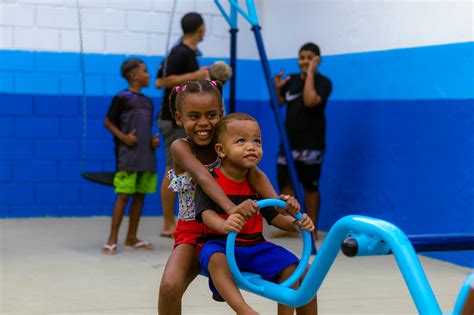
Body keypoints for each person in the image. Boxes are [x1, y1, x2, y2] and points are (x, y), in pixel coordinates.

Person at [158, 79, 295, 314]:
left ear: (221, 114)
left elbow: (256, 175)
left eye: (211, 115)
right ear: (180, 119)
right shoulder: (181, 147)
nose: (203, 123)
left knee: (300, 276)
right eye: (193, 116)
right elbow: (203, 177)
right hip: (193, 233)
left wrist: (282, 207)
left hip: (231, 233)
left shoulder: (230, 144)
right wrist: (232, 208)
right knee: (170, 286)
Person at [196, 113, 317, 315]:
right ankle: (245, 311)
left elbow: (276, 215)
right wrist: (225, 225)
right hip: (222, 245)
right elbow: (206, 214)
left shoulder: (257, 179)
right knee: (215, 258)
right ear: (221, 150)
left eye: (257, 141)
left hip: (255, 246)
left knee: (297, 269)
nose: (251, 146)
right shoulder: (211, 181)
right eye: (241, 141)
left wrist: (296, 223)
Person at [155, 12, 210, 238]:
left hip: (181, 118)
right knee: (173, 169)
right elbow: (161, 81)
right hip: (173, 120)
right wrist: (196, 74)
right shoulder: (180, 52)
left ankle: (178, 219)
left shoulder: (188, 52)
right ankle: (169, 223)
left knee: (180, 169)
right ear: (201, 29)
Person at [273, 42, 332, 240]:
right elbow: (277, 104)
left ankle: (311, 227)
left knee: (310, 186)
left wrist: (311, 74)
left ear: (317, 60)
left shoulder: (324, 82)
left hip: (312, 143)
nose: (304, 61)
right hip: (289, 142)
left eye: (309, 57)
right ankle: (290, 225)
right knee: (285, 184)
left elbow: (309, 101)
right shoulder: (291, 80)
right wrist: (278, 88)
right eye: (302, 57)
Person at [101, 58, 160, 255]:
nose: (148, 74)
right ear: (133, 76)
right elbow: (108, 122)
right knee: (123, 195)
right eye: (145, 71)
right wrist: (124, 138)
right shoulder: (122, 98)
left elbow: (146, 128)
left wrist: (152, 140)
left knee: (140, 196)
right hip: (128, 157)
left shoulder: (148, 102)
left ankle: (131, 237)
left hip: (146, 156)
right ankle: (111, 240)